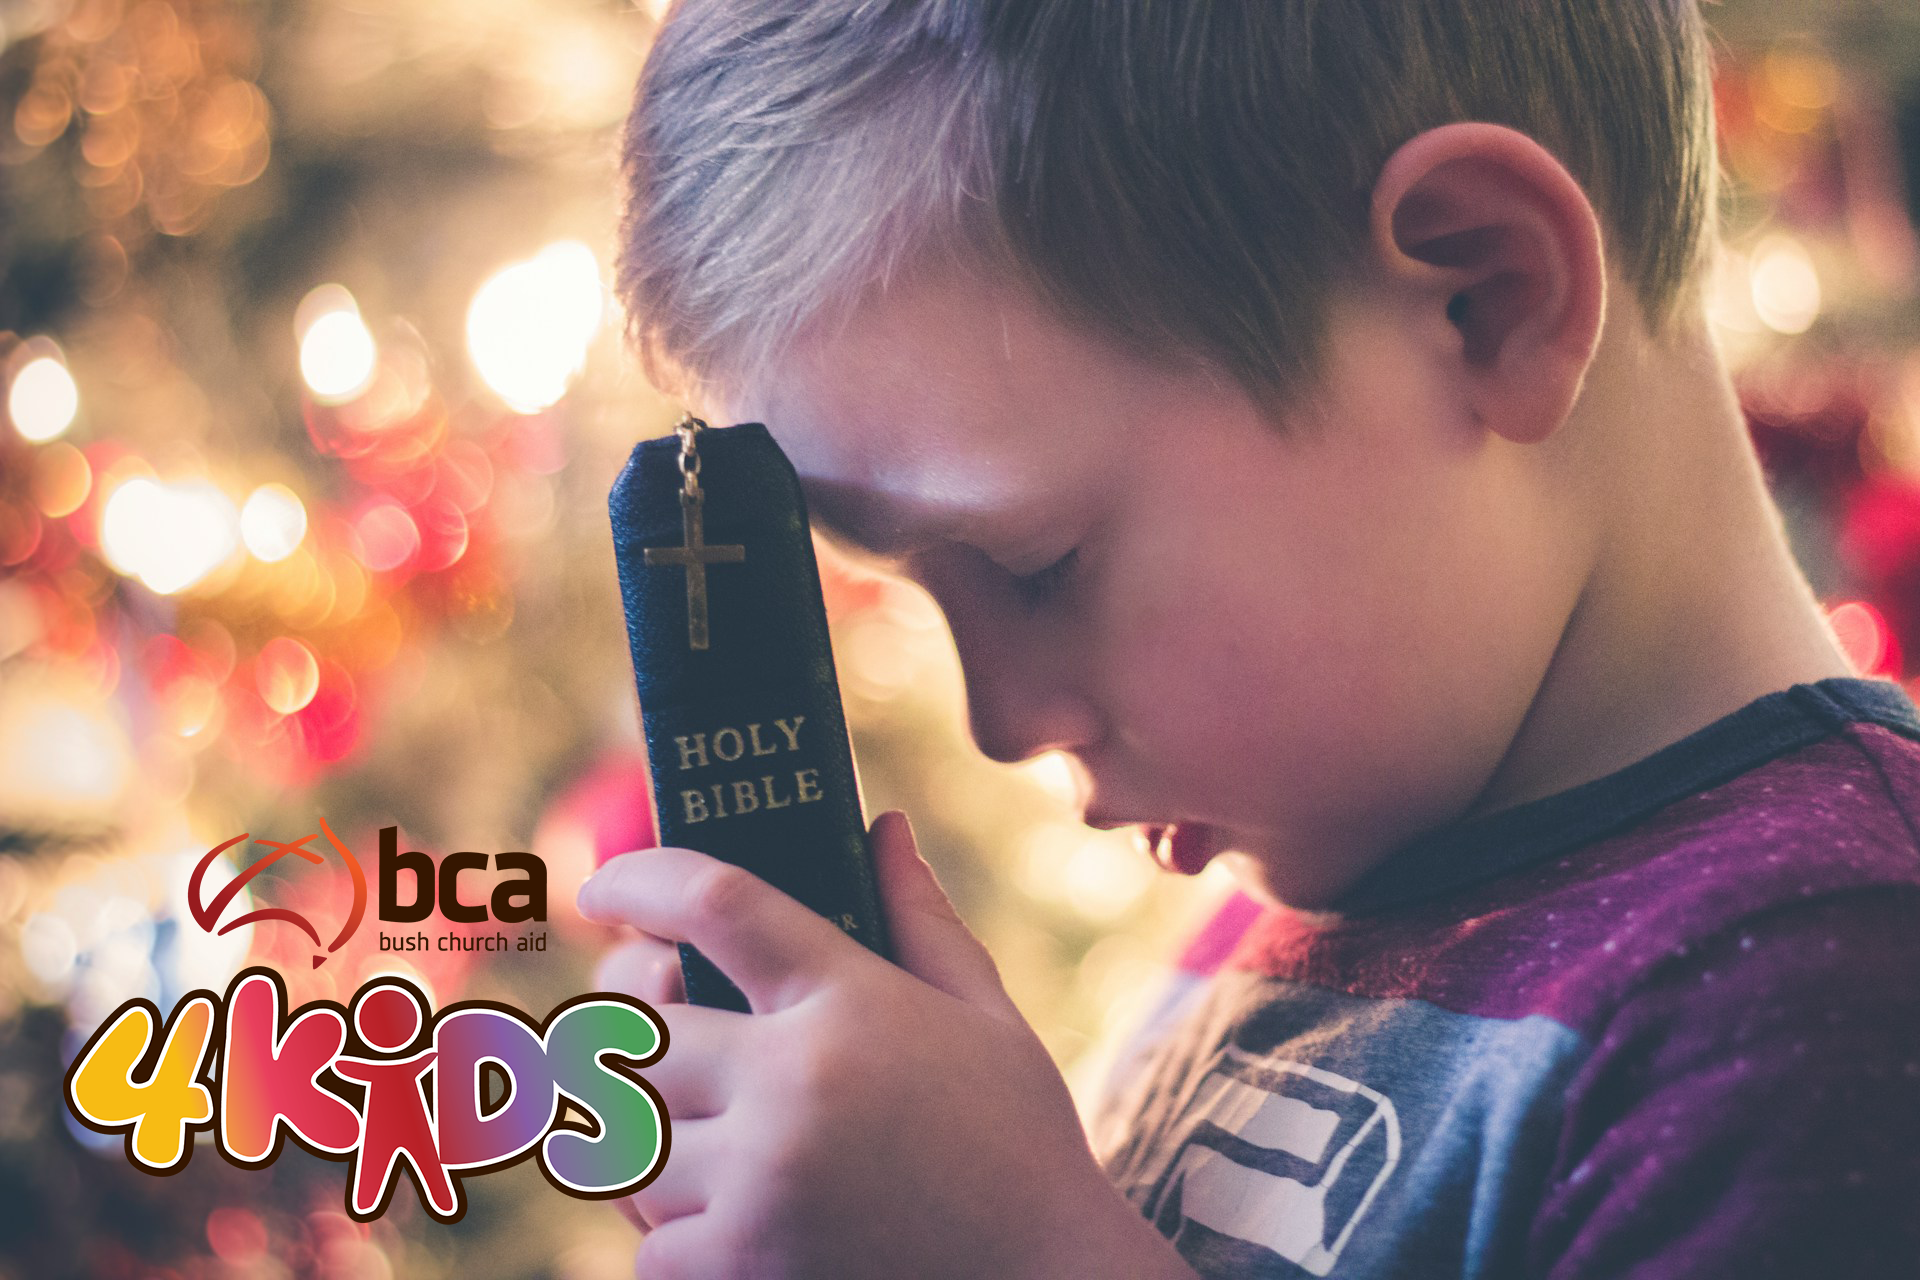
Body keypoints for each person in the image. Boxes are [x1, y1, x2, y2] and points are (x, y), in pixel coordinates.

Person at [575, 2, 1920, 1276]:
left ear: (1485, 299)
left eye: (1039, 568)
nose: (1000, 724)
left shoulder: (1826, 993)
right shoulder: (1294, 907)